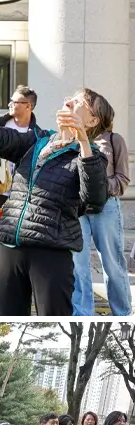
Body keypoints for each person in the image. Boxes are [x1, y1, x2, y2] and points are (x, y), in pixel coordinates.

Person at [0, 54, 109, 320]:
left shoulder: (91, 156)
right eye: (73, 96)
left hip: (50, 253)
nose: (72, 100)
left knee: (53, 321)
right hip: (9, 246)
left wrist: (84, 142)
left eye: (82, 101)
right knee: (9, 319)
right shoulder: (36, 140)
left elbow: (94, 199)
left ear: (92, 120)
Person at [73, 104, 132, 318]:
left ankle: (122, 314)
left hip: (106, 207)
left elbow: (123, 179)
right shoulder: (72, 138)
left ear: (97, 117)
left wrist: (98, 188)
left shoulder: (114, 140)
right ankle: (81, 315)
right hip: (77, 207)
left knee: (112, 263)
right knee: (77, 264)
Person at [0, 86, 39, 204]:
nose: (9, 104)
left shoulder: (37, 135)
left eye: (14, 102)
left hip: (18, 194)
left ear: (28, 106)